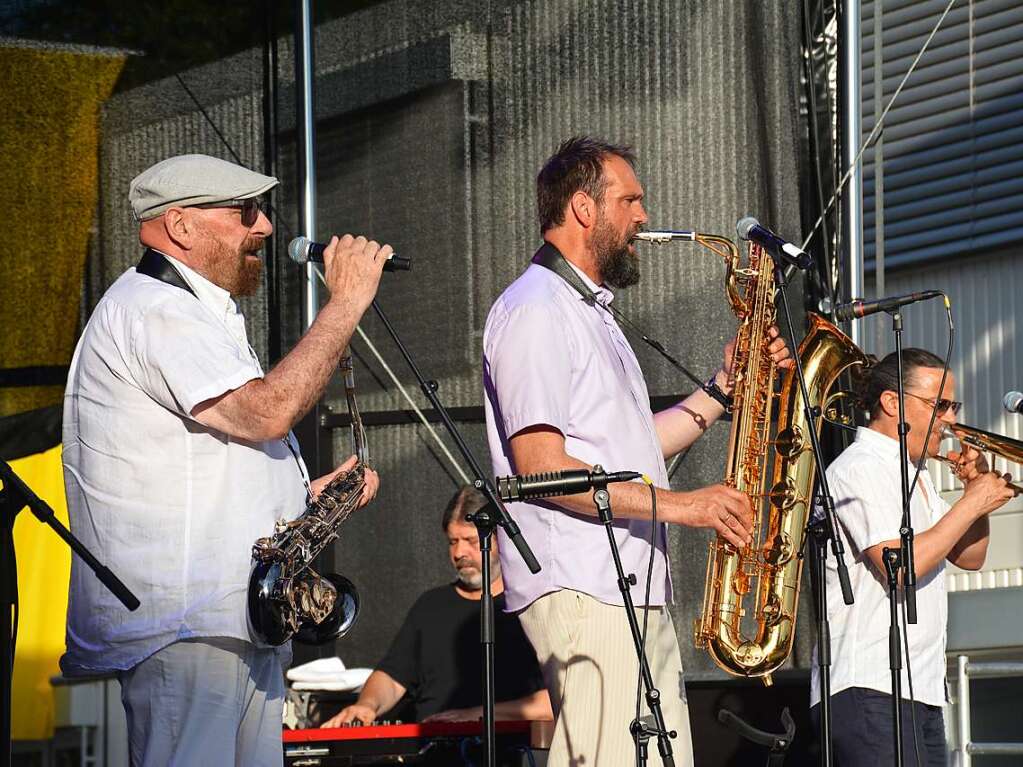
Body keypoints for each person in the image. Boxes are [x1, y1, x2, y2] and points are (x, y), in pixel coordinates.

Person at [61, 153, 388, 767]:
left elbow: (206, 466)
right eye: (245, 212)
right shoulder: (155, 310)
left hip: (232, 621)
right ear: (181, 226)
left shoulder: (194, 312)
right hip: (187, 628)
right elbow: (264, 413)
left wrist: (307, 497)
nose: (264, 227)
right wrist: (345, 304)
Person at [481, 136, 792, 766]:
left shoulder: (586, 310)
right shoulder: (537, 309)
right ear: (584, 209)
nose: (643, 216)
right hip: (582, 582)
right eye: (631, 199)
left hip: (624, 582)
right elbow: (542, 470)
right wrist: (686, 507)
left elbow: (633, 448)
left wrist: (722, 392)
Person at [810, 348, 1015, 766]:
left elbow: (970, 556)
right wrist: (972, 504)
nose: (952, 420)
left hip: (919, 688)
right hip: (869, 684)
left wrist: (973, 488)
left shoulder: (915, 475)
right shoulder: (860, 467)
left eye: (953, 406)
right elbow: (898, 567)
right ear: (891, 403)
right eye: (940, 405)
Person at [321, 486, 552, 727]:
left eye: (471, 541)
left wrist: (476, 716)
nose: (460, 552)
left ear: (500, 540)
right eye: (453, 541)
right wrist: (366, 706)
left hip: (512, 751)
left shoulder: (530, 606)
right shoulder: (431, 606)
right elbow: (392, 676)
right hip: (433, 748)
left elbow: (555, 700)